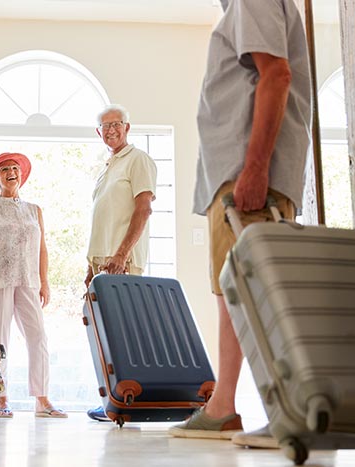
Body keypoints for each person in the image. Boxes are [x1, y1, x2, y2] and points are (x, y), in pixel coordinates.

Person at [168, 0, 312, 448]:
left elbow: (277, 75)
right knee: (234, 295)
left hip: (246, 179)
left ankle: (291, 413)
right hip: (231, 178)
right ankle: (222, 407)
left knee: (258, 295)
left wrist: (255, 169)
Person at [0, 152, 67, 419]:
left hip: (28, 281)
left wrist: (44, 282)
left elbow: (42, 248)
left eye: (15, 167)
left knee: (38, 337)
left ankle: (42, 400)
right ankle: (1, 399)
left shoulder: (35, 210)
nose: (12, 172)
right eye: (5, 169)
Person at [85, 104, 157, 422]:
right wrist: (91, 265)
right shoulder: (107, 168)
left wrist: (121, 254)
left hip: (121, 262)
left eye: (117, 124)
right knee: (109, 336)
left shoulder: (138, 159)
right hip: (103, 264)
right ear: (98, 133)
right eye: (105, 126)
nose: (111, 129)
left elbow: (144, 209)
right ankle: (116, 401)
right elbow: (103, 219)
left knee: (127, 334)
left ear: (128, 127)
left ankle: (130, 401)